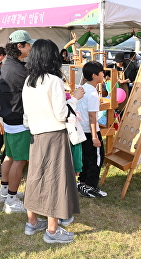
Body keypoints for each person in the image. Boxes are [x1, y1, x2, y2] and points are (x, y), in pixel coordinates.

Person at [21, 39, 84, 244]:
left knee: (35, 177)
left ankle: (32, 223)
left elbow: (26, 115)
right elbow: (60, 113)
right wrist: (73, 100)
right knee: (55, 181)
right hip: (54, 135)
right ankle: (52, 230)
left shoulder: (29, 80)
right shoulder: (53, 80)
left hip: (36, 134)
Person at [0, 30, 35, 213]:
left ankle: (5, 191)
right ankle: (11, 199)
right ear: (20, 46)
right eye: (28, 45)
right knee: (19, 160)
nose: (30, 48)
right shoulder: (18, 69)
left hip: (10, 118)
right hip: (19, 119)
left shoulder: (9, 63)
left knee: (10, 157)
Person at [77, 61, 108, 198]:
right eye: (102, 72)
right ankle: (90, 186)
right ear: (95, 75)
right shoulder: (93, 93)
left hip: (81, 129)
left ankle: (83, 183)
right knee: (96, 158)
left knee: (85, 157)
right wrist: (95, 137)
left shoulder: (82, 87)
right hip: (90, 131)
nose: (103, 74)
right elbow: (92, 117)